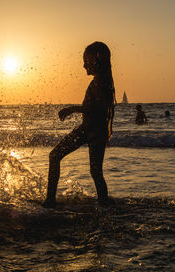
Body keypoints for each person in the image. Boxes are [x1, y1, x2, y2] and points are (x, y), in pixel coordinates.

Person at [43, 41, 116, 208]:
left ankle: (50, 200)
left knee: (55, 156)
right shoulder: (103, 80)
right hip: (97, 131)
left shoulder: (101, 81)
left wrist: (72, 109)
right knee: (96, 171)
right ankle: (103, 202)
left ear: (96, 60)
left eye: (86, 61)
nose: (83, 65)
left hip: (91, 130)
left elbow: (100, 108)